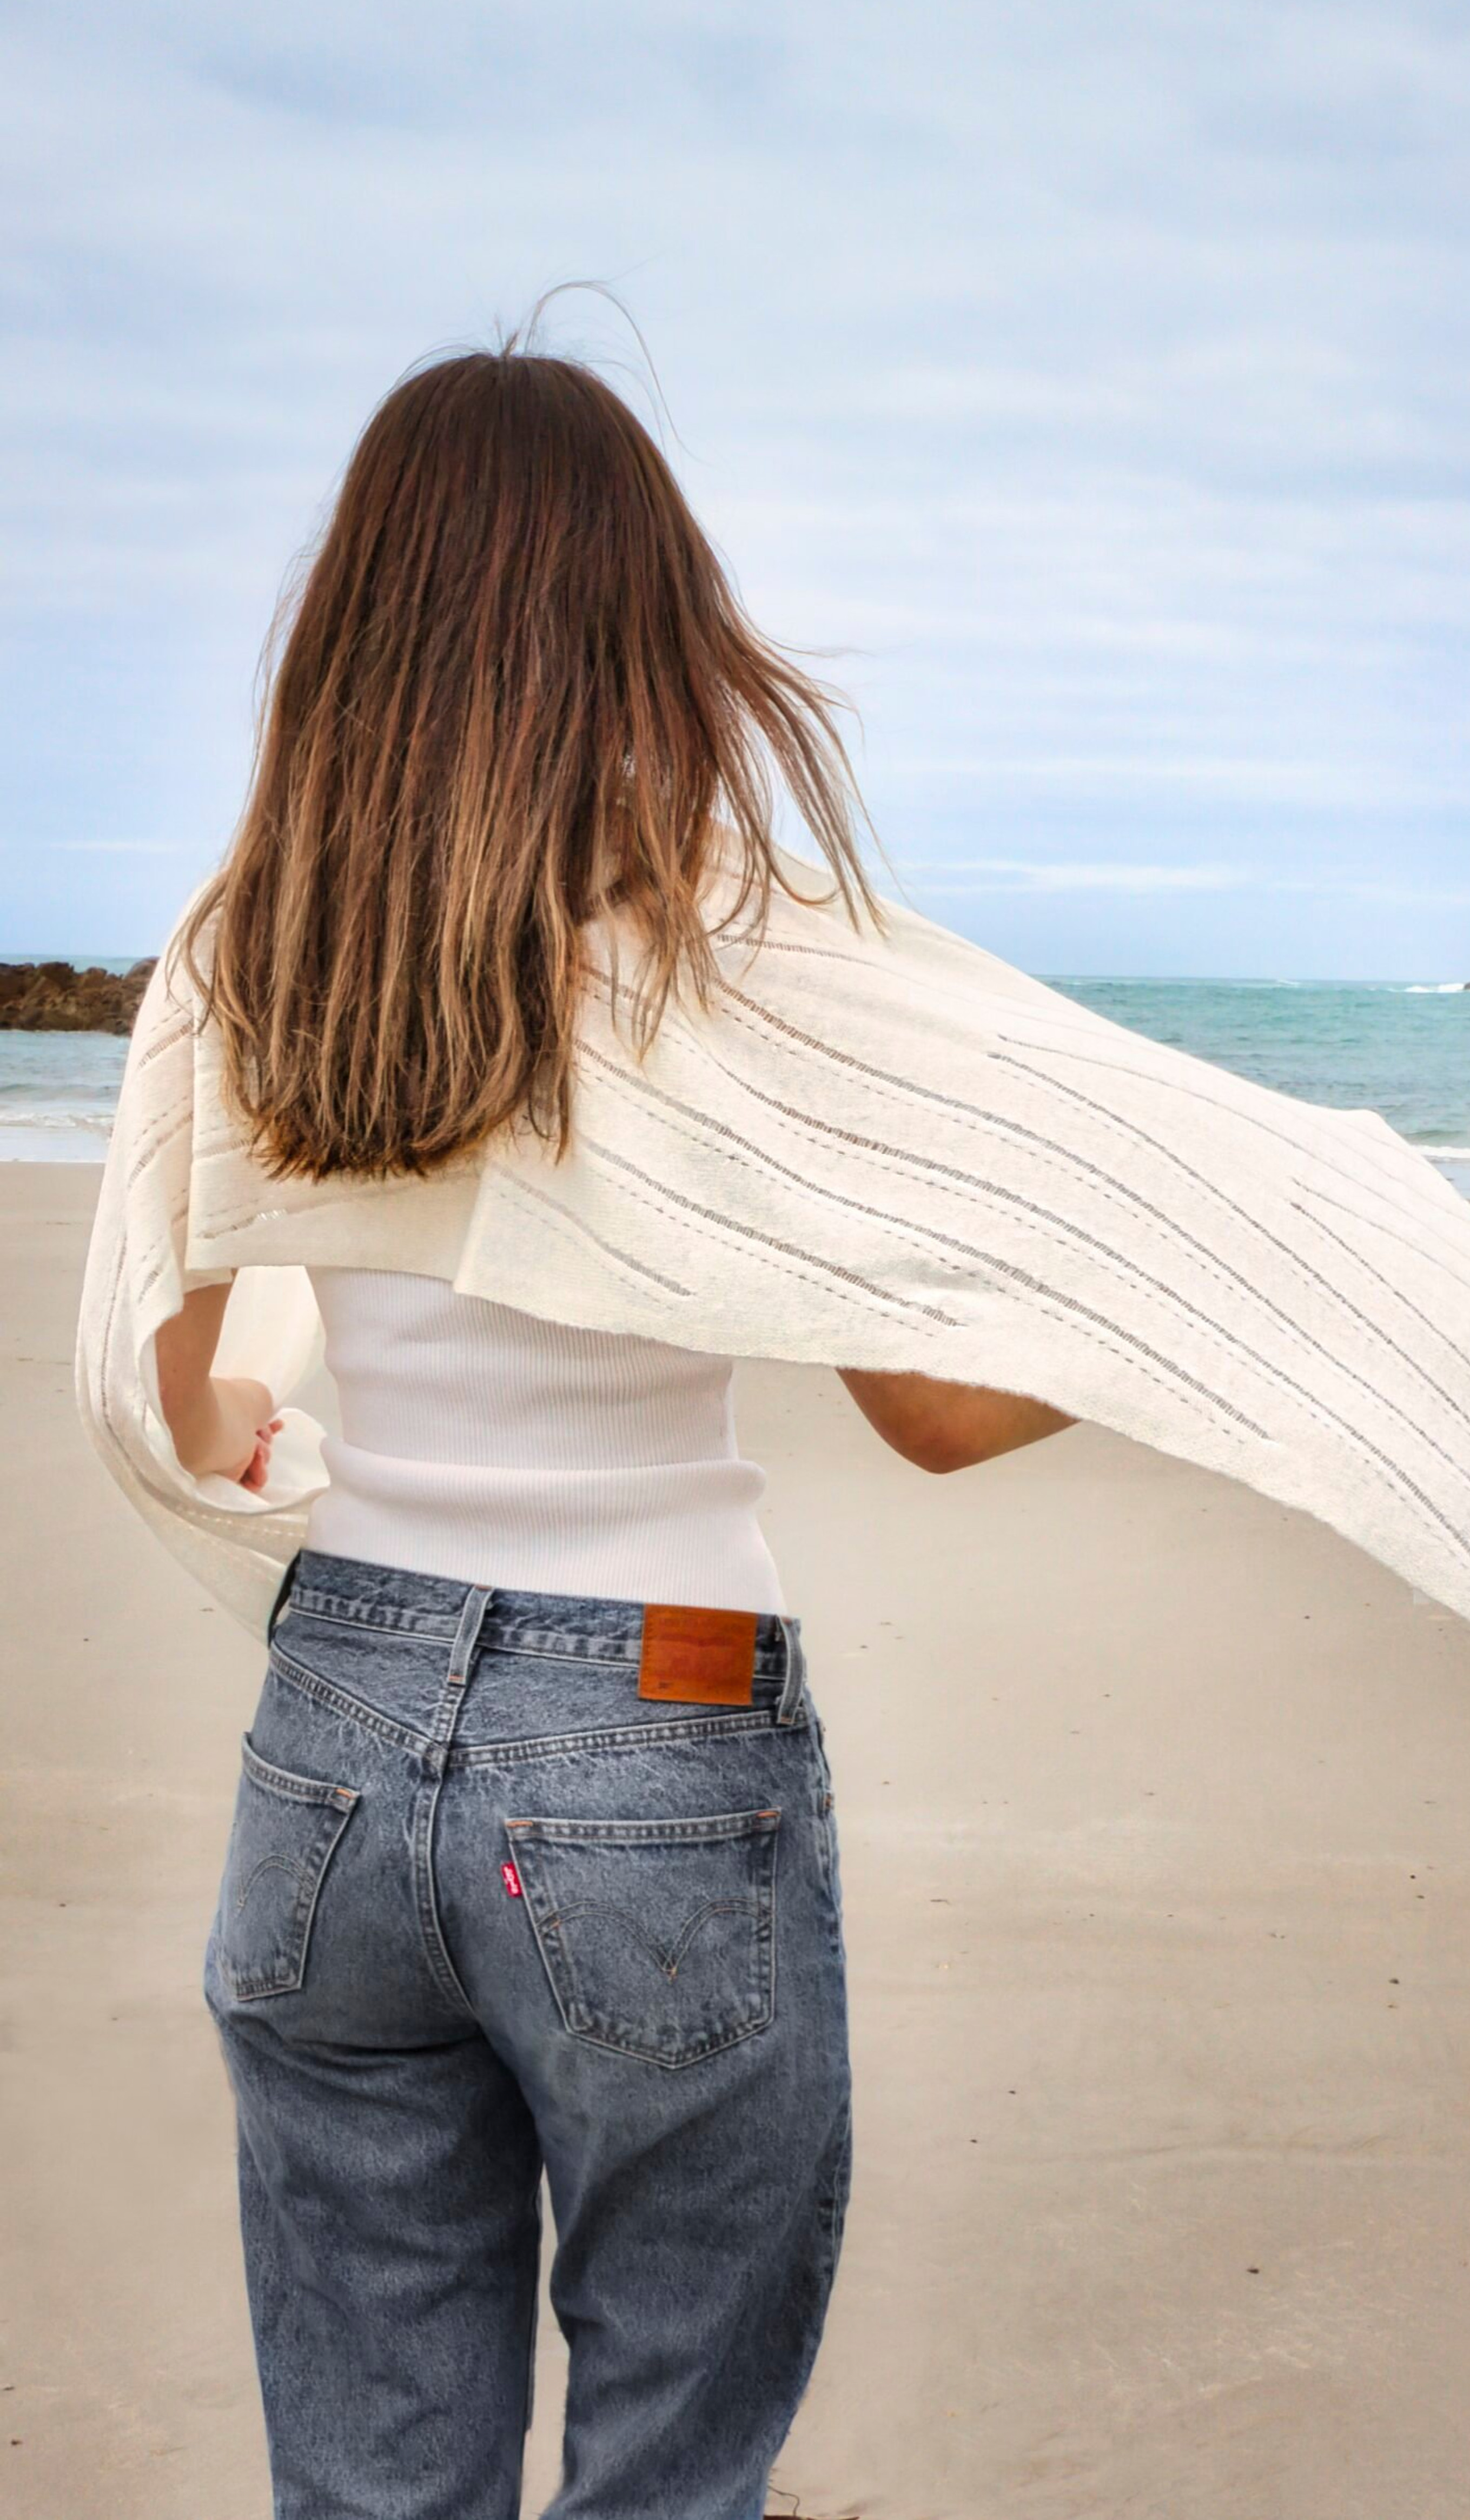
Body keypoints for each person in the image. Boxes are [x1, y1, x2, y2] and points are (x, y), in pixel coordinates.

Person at [145, 336, 1072, 2520]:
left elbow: (187, 1398)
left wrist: (275, 1422)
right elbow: (936, 1417)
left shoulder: (251, 944)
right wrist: (1175, 1344)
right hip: (657, 1718)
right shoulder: (734, 957)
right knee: (668, 2468)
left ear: (356, 615)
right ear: (646, 621)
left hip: (335, 1726)